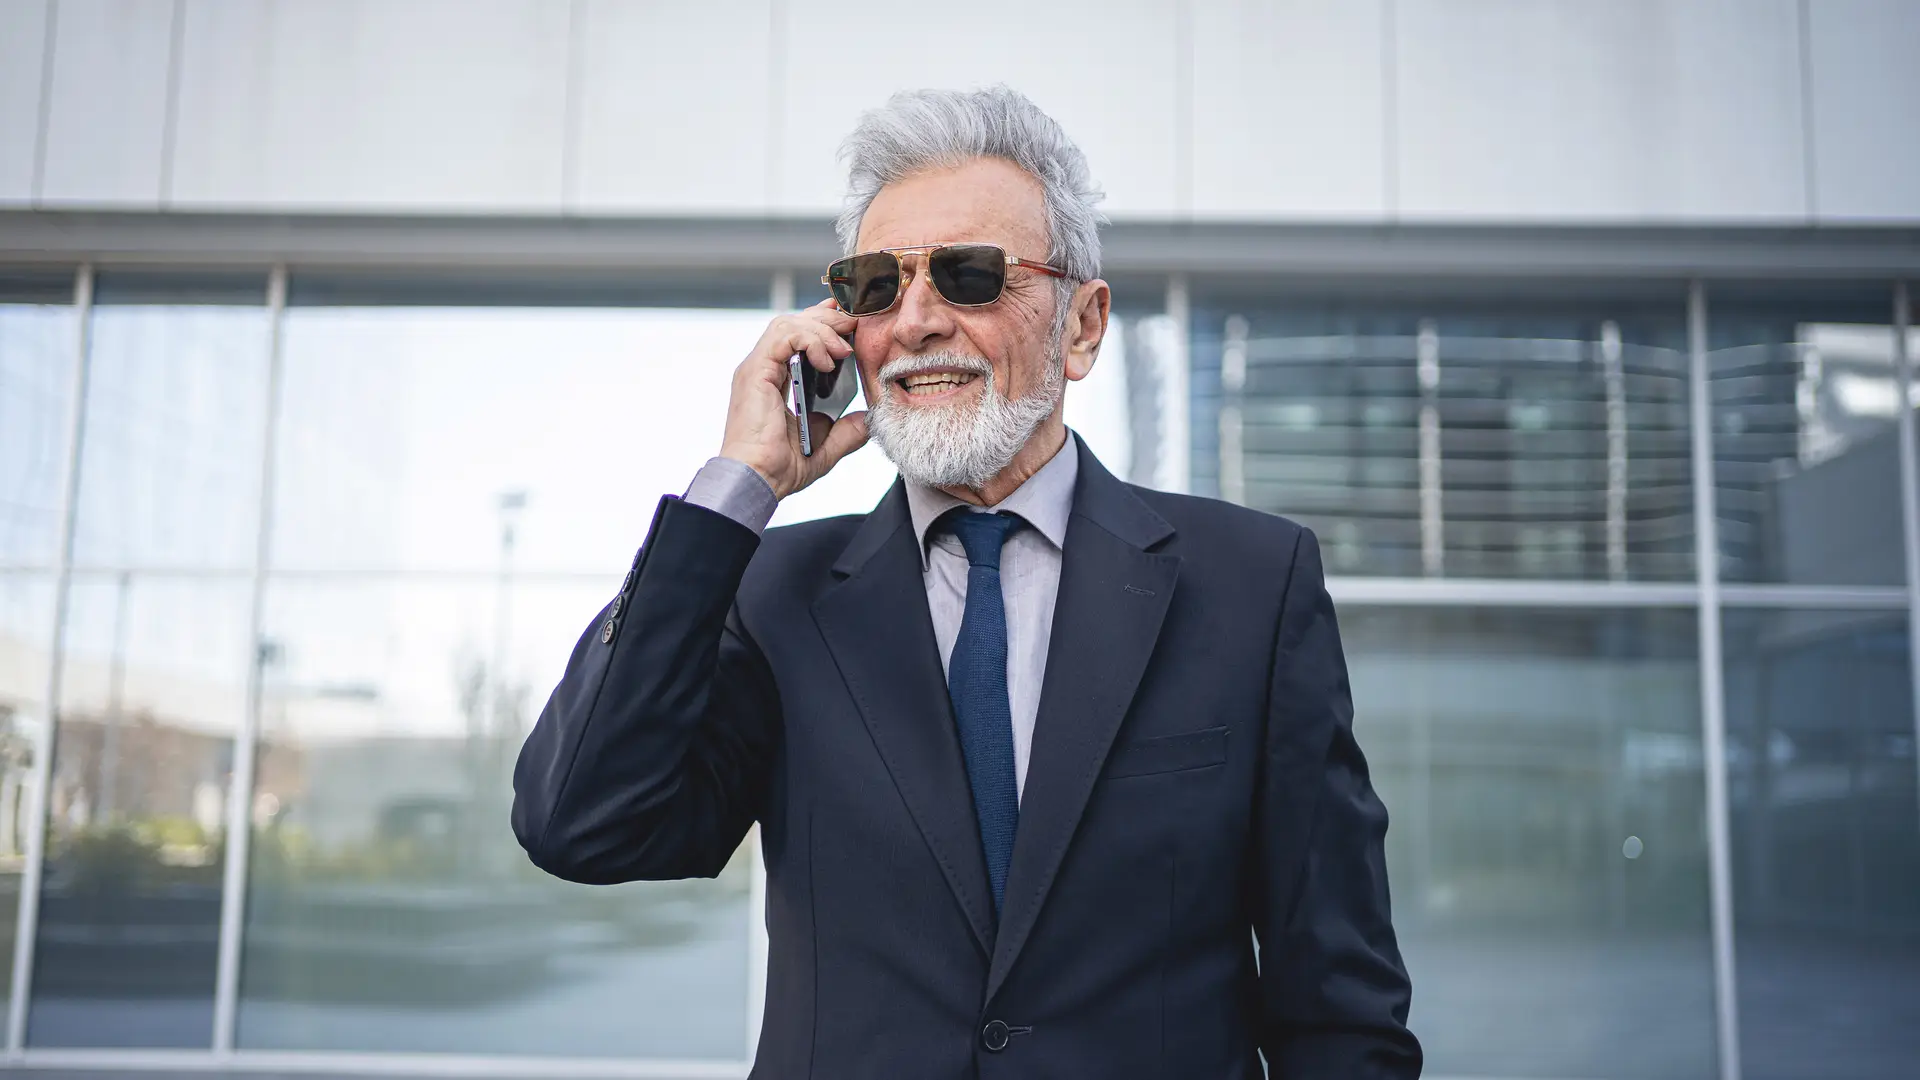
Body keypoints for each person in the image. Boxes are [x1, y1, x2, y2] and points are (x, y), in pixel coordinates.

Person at [511, 86, 1419, 1079]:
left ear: (1082, 326)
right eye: (875, 286)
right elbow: (582, 823)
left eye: (970, 275)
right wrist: (739, 487)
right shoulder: (776, 592)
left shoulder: (1251, 586)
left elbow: (1340, 1012)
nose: (915, 321)